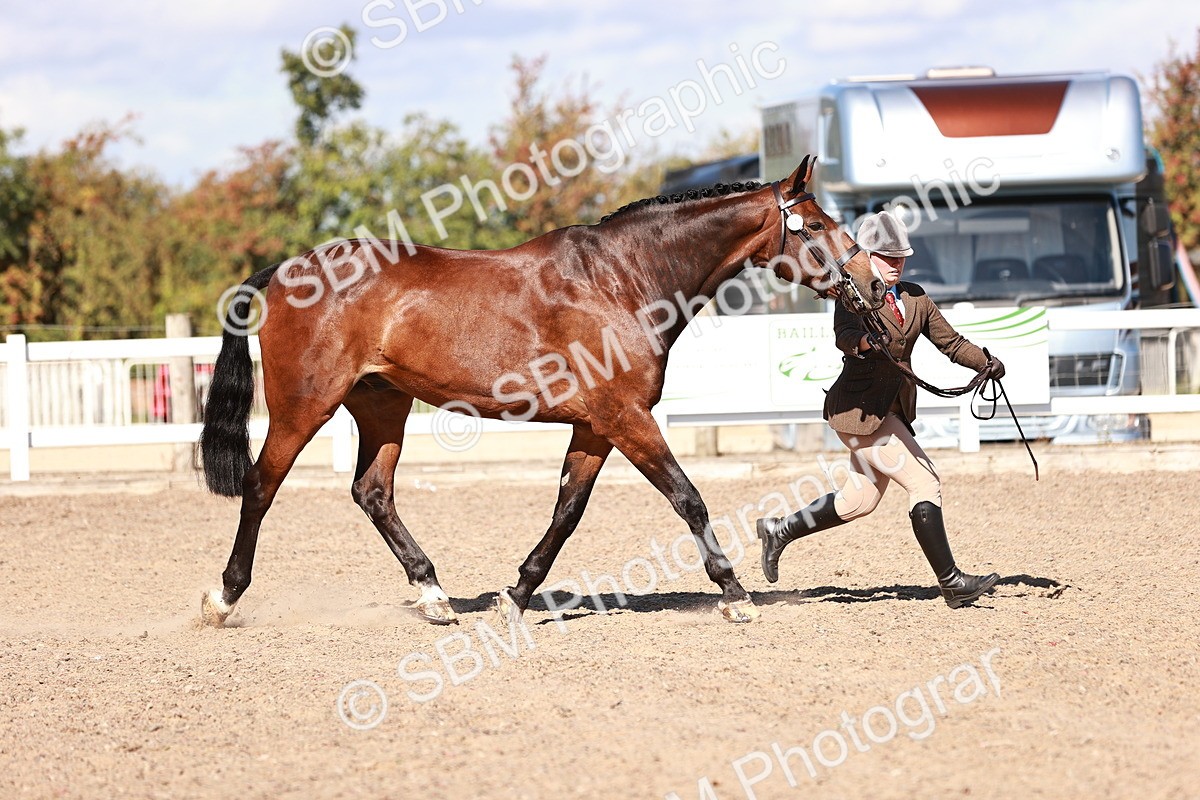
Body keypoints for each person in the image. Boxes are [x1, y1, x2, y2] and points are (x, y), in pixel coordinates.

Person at [756, 210, 1004, 608]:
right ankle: (952, 582)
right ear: (868, 256)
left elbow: (952, 344)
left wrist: (985, 363)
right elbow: (845, 337)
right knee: (925, 483)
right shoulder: (850, 295)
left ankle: (779, 529)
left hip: (890, 409)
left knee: (860, 500)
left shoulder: (917, 297)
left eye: (901, 257)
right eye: (888, 258)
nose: (896, 264)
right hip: (856, 412)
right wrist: (868, 345)